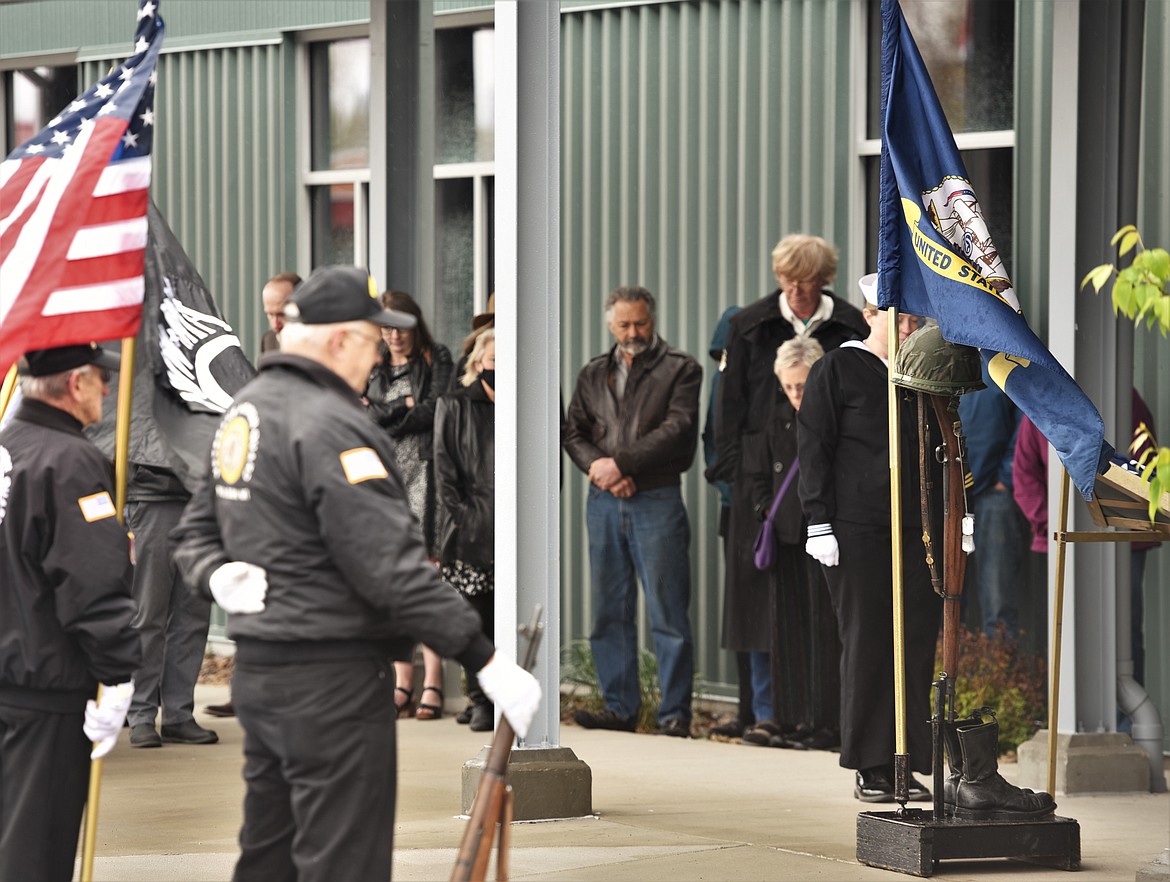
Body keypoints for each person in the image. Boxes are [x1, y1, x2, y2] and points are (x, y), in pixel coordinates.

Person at [171, 266, 540, 882]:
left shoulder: (248, 412)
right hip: (331, 677)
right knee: (343, 861)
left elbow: (193, 535)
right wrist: (483, 657)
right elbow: (389, 567)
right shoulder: (331, 424)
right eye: (373, 342)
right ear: (340, 340)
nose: (376, 360)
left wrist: (213, 574)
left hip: (264, 671)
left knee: (271, 854)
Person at [712, 234, 866, 742]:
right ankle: (762, 713)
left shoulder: (849, 325)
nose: (798, 292)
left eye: (809, 282)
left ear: (826, 280)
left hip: (823, 487)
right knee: (756, 608)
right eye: (789, 282)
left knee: (820, 611)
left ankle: (818, 716)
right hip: (757, 492)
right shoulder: (748, 327)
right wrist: (737, 490)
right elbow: (725, 417)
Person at [0, 344, 141, 882]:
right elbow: (92, 579)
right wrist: (118, 670)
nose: (107, 389)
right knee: (36, 851)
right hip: (47, 689)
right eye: (99, 379)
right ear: (74, 383)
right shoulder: (70, 459)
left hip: (12, 674)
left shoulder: (8, 446)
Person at [797, 273, 938, 802]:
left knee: (916, 643)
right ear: (870, 316)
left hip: (915, 529)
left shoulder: (922, 372)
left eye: (914, 319)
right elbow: (815, 450)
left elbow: (948, 445)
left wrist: (957, 519)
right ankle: (871, 765)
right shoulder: (837, 369)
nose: (909, 327)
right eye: (898, 318)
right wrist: (818, 522)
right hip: (856, 530)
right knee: (869, 643)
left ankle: (908, 759)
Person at [563, 285, 702, 737]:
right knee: (608, 609)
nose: (633, 332)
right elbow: (574, 432)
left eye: (640, 323)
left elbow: (677, 430)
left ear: (653, 319)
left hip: (657, 498)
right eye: (623, 324)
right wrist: (598, 468)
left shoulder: (682, 369)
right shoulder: (592, 374)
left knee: (668, 611)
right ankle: (620, 708)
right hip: (603, 501)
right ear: (609, 324)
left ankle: (674, 715)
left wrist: (619, 464)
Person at [744, 336, 841, 750]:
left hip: (824, 537)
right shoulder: (776, 418)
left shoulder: (835, 416)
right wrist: (767, 510)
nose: (796, 394)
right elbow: (757, 473)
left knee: (825, 633)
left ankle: (825, 723)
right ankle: (790, 719)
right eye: (789, 387)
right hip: (785, 537)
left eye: (802, 385)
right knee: (787, 633)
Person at [365, 290, 454, 721]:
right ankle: (403, 680)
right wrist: (404, 405)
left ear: (415, 324)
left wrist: (386, 412)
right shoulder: (374, 365)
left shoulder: (436, 358)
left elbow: (438, 410)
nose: (394, 335)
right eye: (385, 327)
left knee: (429, 579)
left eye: (401, 326)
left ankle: (433, 680)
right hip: (385, 479)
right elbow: (363, 416)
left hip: (426, 478)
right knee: (394, 582)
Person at [124, 464, 219, 747]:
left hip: (200, 500)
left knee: (194, 615)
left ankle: (178, 715)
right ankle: (140, 714)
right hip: (152, 496)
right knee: (148, 615)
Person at [434, 329, 497, 732]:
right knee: (473, 624)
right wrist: (468, 519)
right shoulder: (453, 405)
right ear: (477, 364)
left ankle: (502, 698)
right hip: (468, 534)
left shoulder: (526, 404)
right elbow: (444, 473)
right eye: (492, 360)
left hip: (513, 535)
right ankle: (480, 701)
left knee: (504, 621)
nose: (499, 367)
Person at [700, 306, 756, 739]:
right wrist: (726, 490)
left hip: (754, 506)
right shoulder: (722, 379)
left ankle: (760, 707)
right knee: (740, 608)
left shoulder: (746, 376)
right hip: (731, 507)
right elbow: (712, 441)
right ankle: (748, 705)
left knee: (755, 610)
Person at [957, 361, 1029, 638]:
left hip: (993, 493)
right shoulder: (939, 352)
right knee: (944, 598)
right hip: (946, 495)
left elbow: (1026, 424)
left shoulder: (1004, 358)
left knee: (998, 599)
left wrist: (1006, 479)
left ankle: (1000, 677)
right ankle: (946, 676)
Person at [259, 271, 301, 354]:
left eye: (282, 315)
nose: (275, 325)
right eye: (270, 314)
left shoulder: (319, 343)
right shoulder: (268, 341)